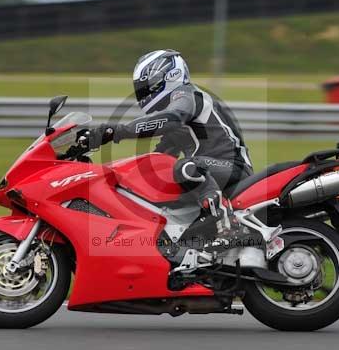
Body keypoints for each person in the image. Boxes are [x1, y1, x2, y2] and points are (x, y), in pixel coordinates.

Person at [87, 49, 253, 249]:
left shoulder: (187, 94)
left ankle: (228, 225)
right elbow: (157, 158)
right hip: (210, 171)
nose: (143, 93)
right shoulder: (178, 119)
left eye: (146, 87)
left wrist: (116, 131)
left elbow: (171, 119)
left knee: (186, 167)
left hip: (233, 167)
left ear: (169, 75)